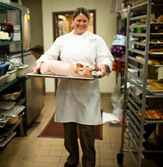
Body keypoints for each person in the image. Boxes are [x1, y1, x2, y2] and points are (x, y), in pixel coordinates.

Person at [34, 7, 114, 167]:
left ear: (88, 22)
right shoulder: (62, 40)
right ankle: (72, 159)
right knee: (69, 131)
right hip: (67, 91)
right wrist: (40, 63)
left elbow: (106, 57)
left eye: (85, 21)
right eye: (79, 20)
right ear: (73, 21)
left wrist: (104, 66)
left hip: (88, 92)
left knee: (87, 132)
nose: (81, 23)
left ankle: (89, 162)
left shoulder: (96, 40)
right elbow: (48, 56)